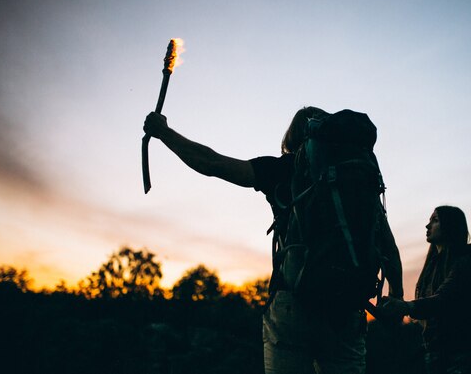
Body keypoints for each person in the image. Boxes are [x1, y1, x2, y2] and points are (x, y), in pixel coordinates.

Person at [143, 106, 404, 374]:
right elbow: (387, 244)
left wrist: (164, 133)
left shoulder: (284, 169)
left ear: (291, 139)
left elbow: (212, 163)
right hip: (347, 310)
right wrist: (397, 295)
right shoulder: (355, 178)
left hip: (293, 306)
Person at [379, 206, 471, 374]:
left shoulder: (465, 263)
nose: (427, 226)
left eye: (435, 221)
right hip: (439, 354)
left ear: (450, 226)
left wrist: (406, 307)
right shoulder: (433, 267)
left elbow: (444, 299)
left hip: (464, 357)